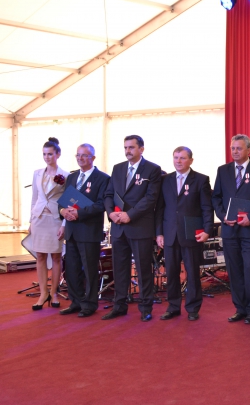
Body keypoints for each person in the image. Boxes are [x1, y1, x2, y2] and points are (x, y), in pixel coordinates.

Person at [212, 134, 250, 325]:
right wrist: (223, 216)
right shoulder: (223, 170)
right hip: (229, 229)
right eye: (233, 148)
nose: (235, 151)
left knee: (249, 268)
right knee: (234, 270)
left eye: (239, 148)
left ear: (249, 150)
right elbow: (216, 197)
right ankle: (240, 308)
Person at [103, 135, 161, 322]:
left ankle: (145, 308)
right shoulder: (118, 168)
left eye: (131, 147)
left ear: (141, 149)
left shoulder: (152, 169)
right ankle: (119, 306)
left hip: (139, 226)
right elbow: (109, 194)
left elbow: (151, 198)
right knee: (120, 269)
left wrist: (130, 214)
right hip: (118, 227)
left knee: (143, 269)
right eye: (125, 147)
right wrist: (111, 213)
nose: (127, 151)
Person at [155, 146, 214, 321]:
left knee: (192, 273)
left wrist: (207, 230)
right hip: (170, 234)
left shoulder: (201, 180)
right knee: (172, 273)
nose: (178, 161)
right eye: (176, 157)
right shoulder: (165, 180)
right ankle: (173, 307)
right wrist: (159, 233)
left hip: (191, 233)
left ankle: (193, 308)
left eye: (182, 158)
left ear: (191, 160)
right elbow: (160, 209)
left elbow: (206, 208)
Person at [59, 144, 110, 317]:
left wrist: (79, 213)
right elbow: (63, 201)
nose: (80, 158)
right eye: (78, 155)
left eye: (84, 155)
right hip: (72, 230)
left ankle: (89, 304)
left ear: (93, 158)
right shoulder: (72, 177)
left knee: (89, 270)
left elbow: (101, 205)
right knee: (72, 269)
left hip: (89, 231)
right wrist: (63, 211)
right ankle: (76, 301)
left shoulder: (102, 178)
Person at [30, 137, 69, 310]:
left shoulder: (66, 175)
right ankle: (42, 293)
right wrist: (31, 220)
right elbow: (34, 198)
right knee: (40, 256)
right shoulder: (37, 173)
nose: (47, 157)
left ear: (58, 154)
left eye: (50, 154)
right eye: (44, 154)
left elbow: (68, 202)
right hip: (39, 218)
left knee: (56, 256)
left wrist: (64, 224)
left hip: (55, 219)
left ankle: (53, 293)